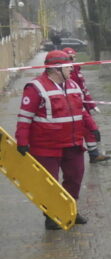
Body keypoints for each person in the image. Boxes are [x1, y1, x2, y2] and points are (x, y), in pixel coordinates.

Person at [15, 50, 89, 230]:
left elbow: (82, 111)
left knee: (75, 177)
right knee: (50, 183)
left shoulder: (73, 85)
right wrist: (22, 141)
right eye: (67, 66)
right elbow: (24, 118)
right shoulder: (35, 88)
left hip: (73, 144)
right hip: (46, 147)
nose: (71, 68)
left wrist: (92, 128)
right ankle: (51, 215)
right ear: (56, 69)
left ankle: (70, 210)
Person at [63, 47, 111, 164]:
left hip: (82, 105)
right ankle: (89, 155)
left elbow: (84, 90)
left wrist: (91, 104)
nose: (73, 60)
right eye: (70, 58)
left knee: (90, 130)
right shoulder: (68, 73)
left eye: (74, 57)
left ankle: (94, 154)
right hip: (74, 107)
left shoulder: (76, 70)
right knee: (87, 130)